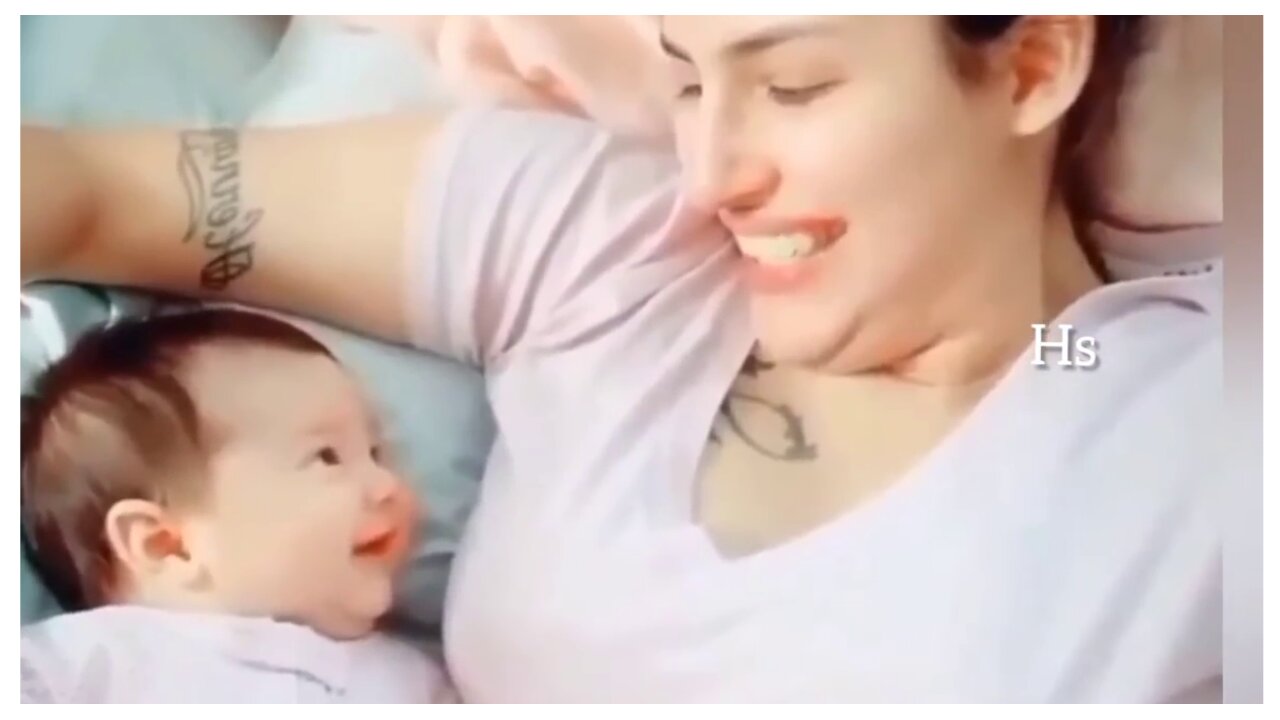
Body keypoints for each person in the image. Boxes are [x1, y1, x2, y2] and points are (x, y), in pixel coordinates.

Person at [21, 16, 1222, 702]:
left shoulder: (1180, 412)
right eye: (689, 79)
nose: (706, 172)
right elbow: (81, 197)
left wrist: (1049, 340)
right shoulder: (619, 244)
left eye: (792, 87)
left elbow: (1064, 356)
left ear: (1025, 66)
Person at [20, 309, 452, 702]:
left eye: (376, 453)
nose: (386, 485)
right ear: (166, 545)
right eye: (327, 456)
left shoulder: (415, 680)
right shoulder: (96, 659)